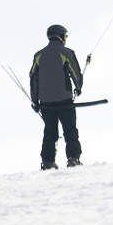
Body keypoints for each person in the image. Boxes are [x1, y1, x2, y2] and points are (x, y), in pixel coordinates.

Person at [29, 23, 84, 169]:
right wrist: (78, 88)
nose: (66, 39)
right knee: (70, 131)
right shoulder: (67, 53)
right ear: (60, 36)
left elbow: (33, 78)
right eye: (65, 36)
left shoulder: (38, 55)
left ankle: (47, 163)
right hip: (65, 100)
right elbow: (76, 75)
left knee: (50, 132)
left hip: (45, 103)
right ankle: (73, 159)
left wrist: (34, 101)